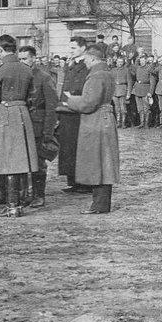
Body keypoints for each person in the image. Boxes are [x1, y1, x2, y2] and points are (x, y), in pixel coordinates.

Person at [0, 35, 38, 218]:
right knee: (19, 160)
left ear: (0, 50)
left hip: (4, 114)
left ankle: (12, 205)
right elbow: (33, 97)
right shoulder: (26, 69)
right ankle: (19, 202)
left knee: (7, 161)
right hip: (22, 114)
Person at [60, 46, 120, 214]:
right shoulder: (107, 73)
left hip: (95, 121)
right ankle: (102, 204)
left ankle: (98, 205)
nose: (85, 62)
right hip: (105, 119)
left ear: (93, 59)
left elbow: (88, 103)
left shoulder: (95, 76)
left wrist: (69, 100)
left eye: (86, 59)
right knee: (104, 163)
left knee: (96, 162)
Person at [18, 45, 58, 208]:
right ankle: (25, 194)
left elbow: (52, 105)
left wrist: (48, 130)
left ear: (33, 59)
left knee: (38, 162)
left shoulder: (43, 77)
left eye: (25, 59)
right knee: (22, 161)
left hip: (37, 124)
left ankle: (38, 195)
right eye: (20, 59)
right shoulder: (19, 76)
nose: (22, 62)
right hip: (21, 123)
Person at [58, 36, 90, 193]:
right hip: (67, 110)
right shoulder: (70, 65)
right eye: (69, 48)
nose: (70, 51)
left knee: (80, 147)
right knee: (68, 147)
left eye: (73, 48)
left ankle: (84, 183)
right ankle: (73, 181)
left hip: (79, 111)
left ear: (83, 48)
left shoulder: (87, 66)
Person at [110, 55, 133, 129]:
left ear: (123, 62)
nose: (120, 63)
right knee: (117, 108)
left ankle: (123, 123)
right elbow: (110, 81)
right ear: (116, 62)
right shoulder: (113, 70)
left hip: (123, 89)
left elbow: (129, 82)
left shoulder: (126, 70)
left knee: (123, 108)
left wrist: (128, 93)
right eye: (119, 62)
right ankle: (118, 122)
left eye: (121, 62)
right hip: (114, 90)